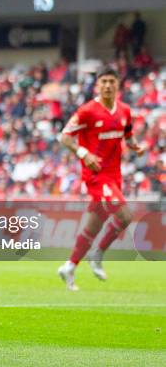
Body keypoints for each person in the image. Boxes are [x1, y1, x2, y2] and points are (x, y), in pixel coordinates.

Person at [57, 67, 145, 291]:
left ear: (118, 84)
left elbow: (127, 133)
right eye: (103, 81)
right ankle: (97, 254)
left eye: (111, 81)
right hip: (96, 176)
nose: (107, 85)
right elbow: (64, 136)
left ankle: (69, 266)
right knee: (125, 216)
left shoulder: (124, 110)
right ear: (97, 85)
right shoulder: (87, 111)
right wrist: (83, 153)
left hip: (115, 176)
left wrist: (135, 146)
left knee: (93, 227)